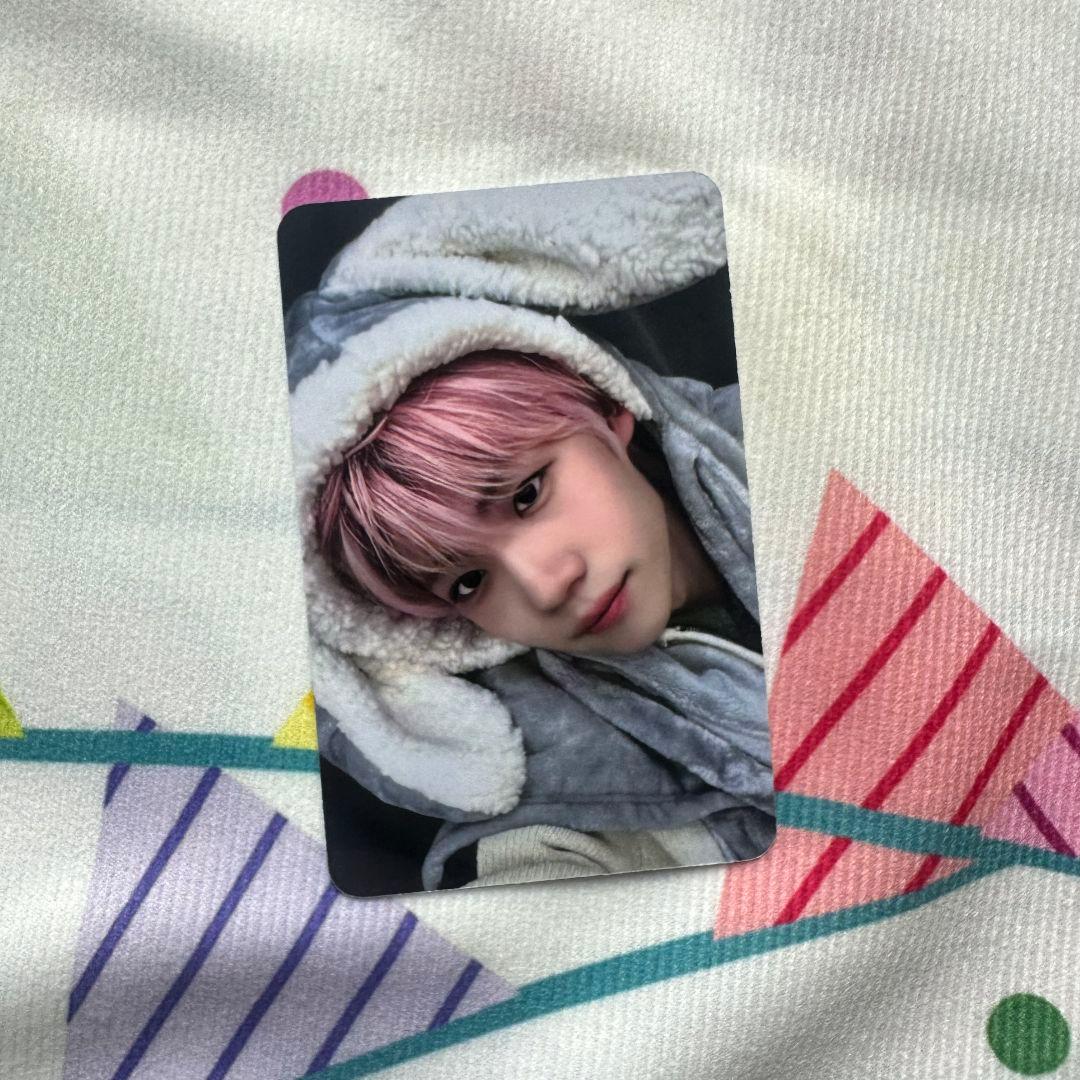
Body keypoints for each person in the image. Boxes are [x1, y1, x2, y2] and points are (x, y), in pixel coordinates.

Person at [284, 172, 775, 891]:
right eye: (467, 582)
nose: (546, 585)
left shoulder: (822, 439)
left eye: (526, 495)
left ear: (604, 405)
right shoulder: (553, 799)